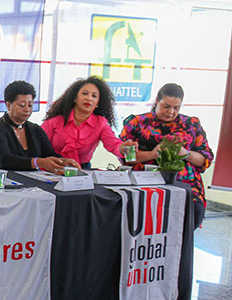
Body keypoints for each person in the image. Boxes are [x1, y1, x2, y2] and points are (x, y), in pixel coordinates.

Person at [120, 83, 213, 229]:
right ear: (157, 100)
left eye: (176, 108)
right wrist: (152, 154)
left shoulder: (191, 124)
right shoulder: (137, 122)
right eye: (166, 106)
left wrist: (185, 153)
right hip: (146, 183)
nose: (171, 112)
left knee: (193, 213)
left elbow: (204, 159)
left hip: (185, 184)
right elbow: (126, 158)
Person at [0, 80, 79, 173]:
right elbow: (3, 160)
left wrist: (63, 161)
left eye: (30, 105)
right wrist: (38, 162)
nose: (27, 109)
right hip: (1, 182)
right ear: (8, 105)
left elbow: (49, 154)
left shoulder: (35, 129)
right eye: (22, 105)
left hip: (31, 182)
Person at [41, 76, 135, 168]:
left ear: (98, 103)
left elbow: (112, 144)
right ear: (75, 98)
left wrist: (122, 148)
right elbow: (38, 145)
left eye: (94, 96)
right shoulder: (55, 121)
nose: (89, 98)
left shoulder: (100, 123)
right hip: (53, 167)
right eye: (85, 93)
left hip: (83, 169)